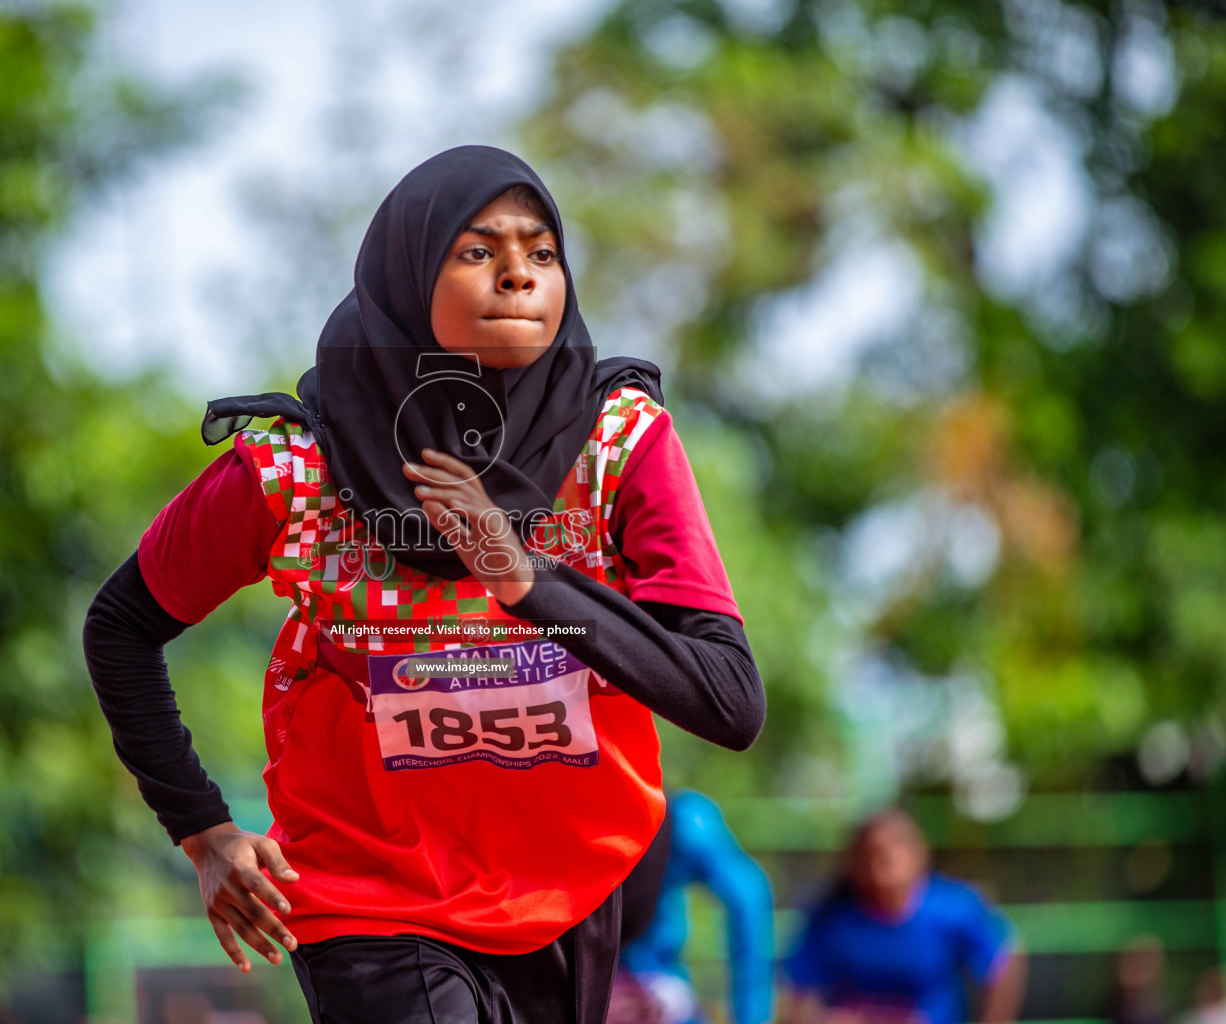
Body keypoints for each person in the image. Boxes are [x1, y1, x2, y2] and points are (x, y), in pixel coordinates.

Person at [83, 144, 767, 1024]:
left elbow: (729, 700)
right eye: (479, 251)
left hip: (570, 889)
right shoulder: (296, 467)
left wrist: (524, 581)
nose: (519, 275)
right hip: (367, 894)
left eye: (542, 252)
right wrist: (204, 832)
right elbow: (122, 625)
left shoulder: (620, 445)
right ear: (407, 278)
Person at [778, 808, 1026, 1024]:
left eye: (886, 856)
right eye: (866, 857)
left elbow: (1004, 956)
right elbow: (796, 997)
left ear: (917, 854)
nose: (878, 870)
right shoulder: (830, 915)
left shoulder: (953, 908)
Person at [609, 790, 775, 1024]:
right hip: (631, 990)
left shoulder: (680, 820)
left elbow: (748, 898)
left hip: (648, 988)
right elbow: (749, 896)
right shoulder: (682, 818)